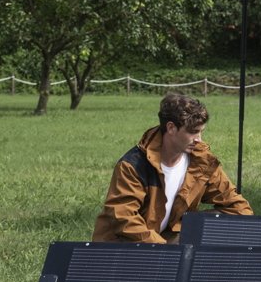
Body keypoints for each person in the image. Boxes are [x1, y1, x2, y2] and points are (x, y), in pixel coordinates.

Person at [93, 93, 252, 243]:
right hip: (124, 248)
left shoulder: (201, 161)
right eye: (193, 132)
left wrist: (208, 237)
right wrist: (166, 251)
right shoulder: (132, 166)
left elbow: (238, 208)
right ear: (171, 128)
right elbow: (124, 219)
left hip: (165, 241)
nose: (199, 140)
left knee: (223, 219)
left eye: (201, 132)